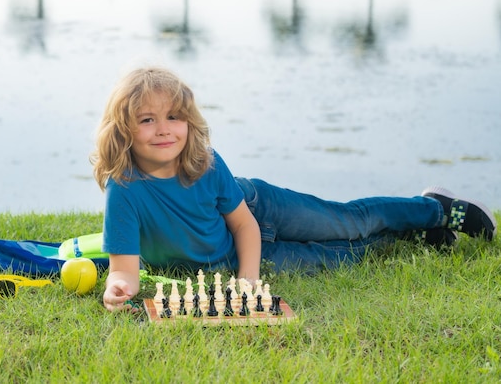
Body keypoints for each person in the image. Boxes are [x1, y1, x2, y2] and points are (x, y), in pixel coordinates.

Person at [90, 66, 497, 312]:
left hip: (258, 212)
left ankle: (437, 209)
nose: (163, 128)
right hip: (230, 257)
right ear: (123, 129)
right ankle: (413, 236)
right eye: (146, 120)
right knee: (345, 256)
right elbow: (125, 269)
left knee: (349, 222)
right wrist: (117, 288)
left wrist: (247, 282)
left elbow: (245, 226)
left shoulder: (205, 163)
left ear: (189, 122)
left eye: (174, 116)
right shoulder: (125, 190)